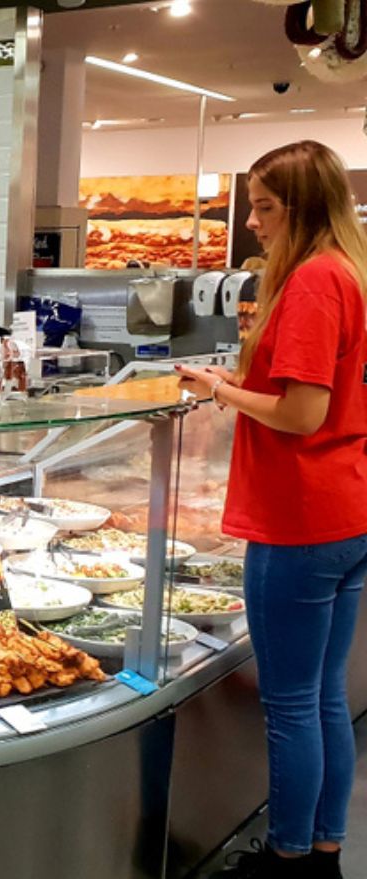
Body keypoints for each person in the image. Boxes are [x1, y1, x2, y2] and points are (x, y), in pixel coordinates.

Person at [177, 141, 367, 879]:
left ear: (304, 208)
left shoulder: (314, 281)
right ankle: (322, 851)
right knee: (323, 697)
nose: (252, 222)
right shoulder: (348, 272)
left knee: (290, 703)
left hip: (299, 517)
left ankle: (286, 858)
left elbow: (301, 414)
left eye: (264, 207)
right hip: (345, 509)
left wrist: (219, 390)